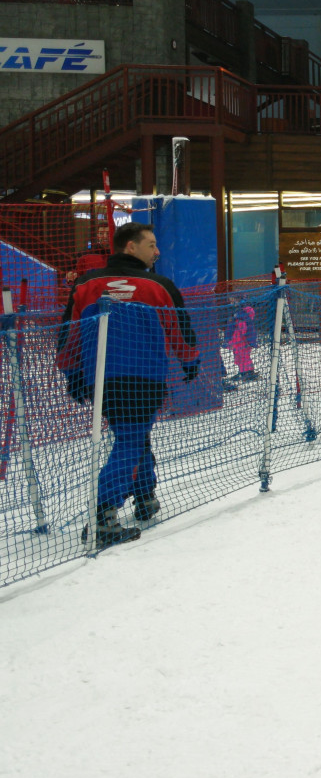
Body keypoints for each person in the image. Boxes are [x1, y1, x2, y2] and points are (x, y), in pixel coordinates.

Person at [56, 222, 198, 548]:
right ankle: (103, 514)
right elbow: (179, 328)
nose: (157, 251)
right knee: (131, 441)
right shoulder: (158, 285)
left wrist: (72, 372)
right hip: (144, 379)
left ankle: (145, 495)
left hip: (102, 379)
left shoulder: (86, 284)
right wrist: (189, 361)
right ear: (130, 247)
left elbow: (70, 333)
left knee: (133, 436)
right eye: (151, 244)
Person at [227, 304, 258, 381]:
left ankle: (247, 373)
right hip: (241, 344)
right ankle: (244, 372)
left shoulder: (241, 322)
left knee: (243, 359)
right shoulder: (245, 322)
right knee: (242, 359)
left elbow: (239, 333)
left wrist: (231, 343)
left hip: (241, 345)